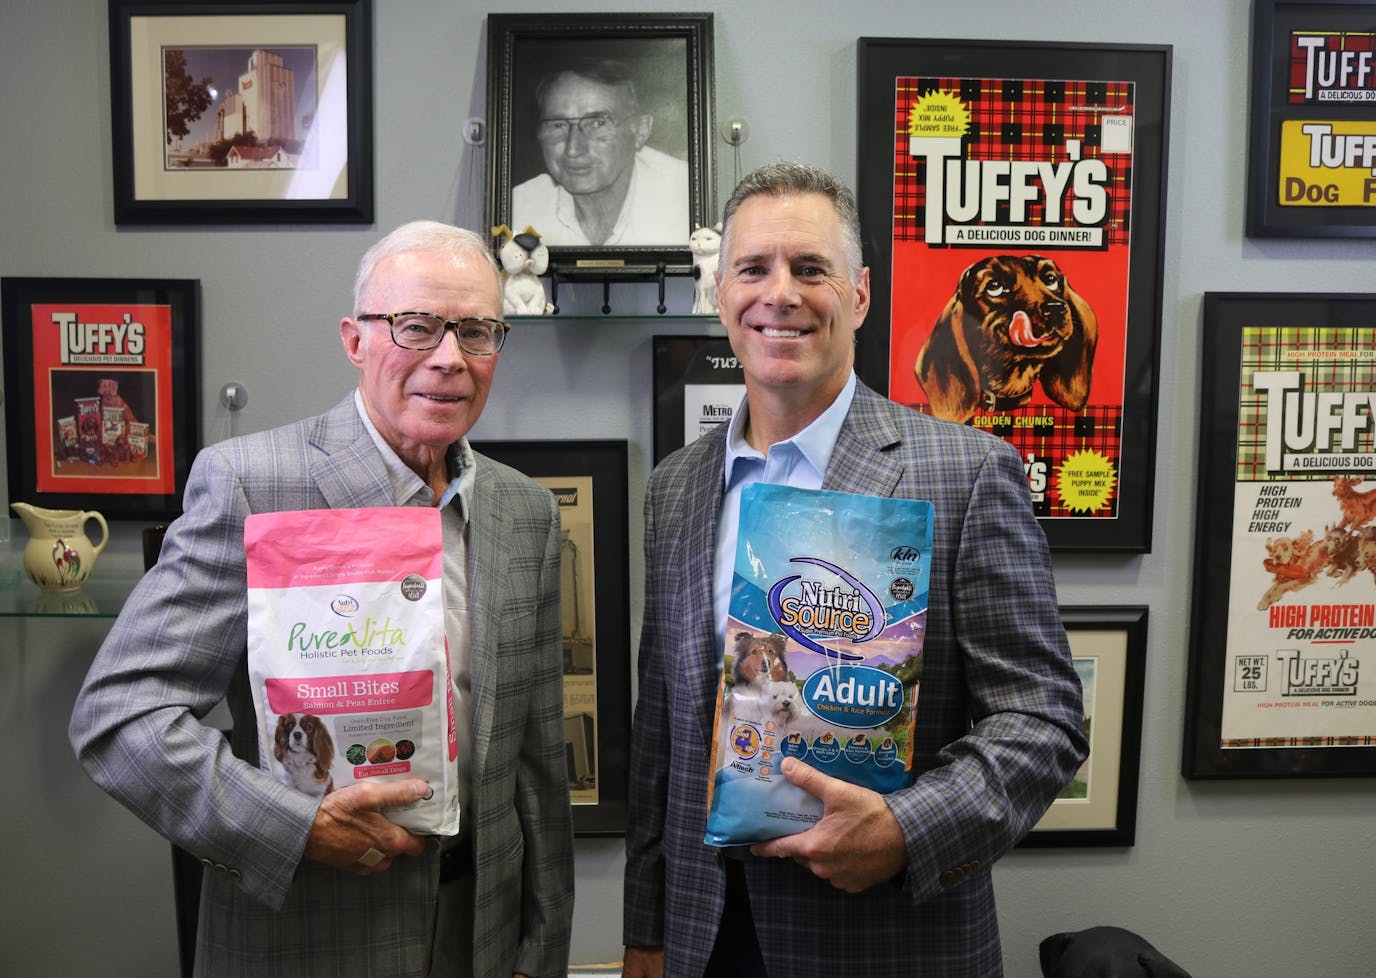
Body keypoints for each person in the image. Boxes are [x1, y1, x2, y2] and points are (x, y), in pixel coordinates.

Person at [69, 220, 574, 978]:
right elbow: (118, 716)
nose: (449, 358)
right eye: (416, 327)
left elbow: (535, 765)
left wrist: (543, 948)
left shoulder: (524, 512)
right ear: (355, 340)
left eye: (476, 331)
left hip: (482, 933)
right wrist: (295, 826)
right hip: (308, 934)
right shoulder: (252, 485)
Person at [622, 162, 1088, 978]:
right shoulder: (675, 488)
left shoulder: (968, 472)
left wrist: (908, 829)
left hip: (887, 944)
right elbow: (661, 736)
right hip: (708, 939)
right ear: (719, 293)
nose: (782, 294)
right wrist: (646, 934)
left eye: (811, 270)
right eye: (754, 269)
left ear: (860, 295)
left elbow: (1043, 719)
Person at [511, 58, 689, 247]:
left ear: (640, 130)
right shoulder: (520, 210)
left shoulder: (683, 196)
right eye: (557, 125)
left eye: (597, 123)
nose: (573, 149)